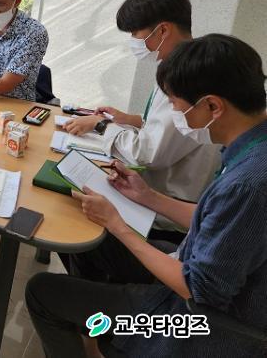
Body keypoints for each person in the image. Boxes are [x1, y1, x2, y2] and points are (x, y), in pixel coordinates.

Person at [26, 34, 267, 358]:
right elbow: (217, 217)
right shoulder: (252, 148)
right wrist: (148, 196)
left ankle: (111, 333)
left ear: (213, 106)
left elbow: (199, 290)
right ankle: (96, 333)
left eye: (177, 105)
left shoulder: (248, 183)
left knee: (42, 293)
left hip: (197, 323)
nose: (175, 113)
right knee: (91, 242)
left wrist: (118, 225)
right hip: (194, 263)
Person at [63, 0, 221, 240]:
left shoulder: (190, 77)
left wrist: (101, 125)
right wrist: (131, 119)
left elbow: (148, 153)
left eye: (136, 33)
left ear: (163, 30)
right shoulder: (180, 65)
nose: (134, 41)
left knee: (75, 216)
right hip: (159, 197)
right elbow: (171, 127)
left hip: (166, 214)